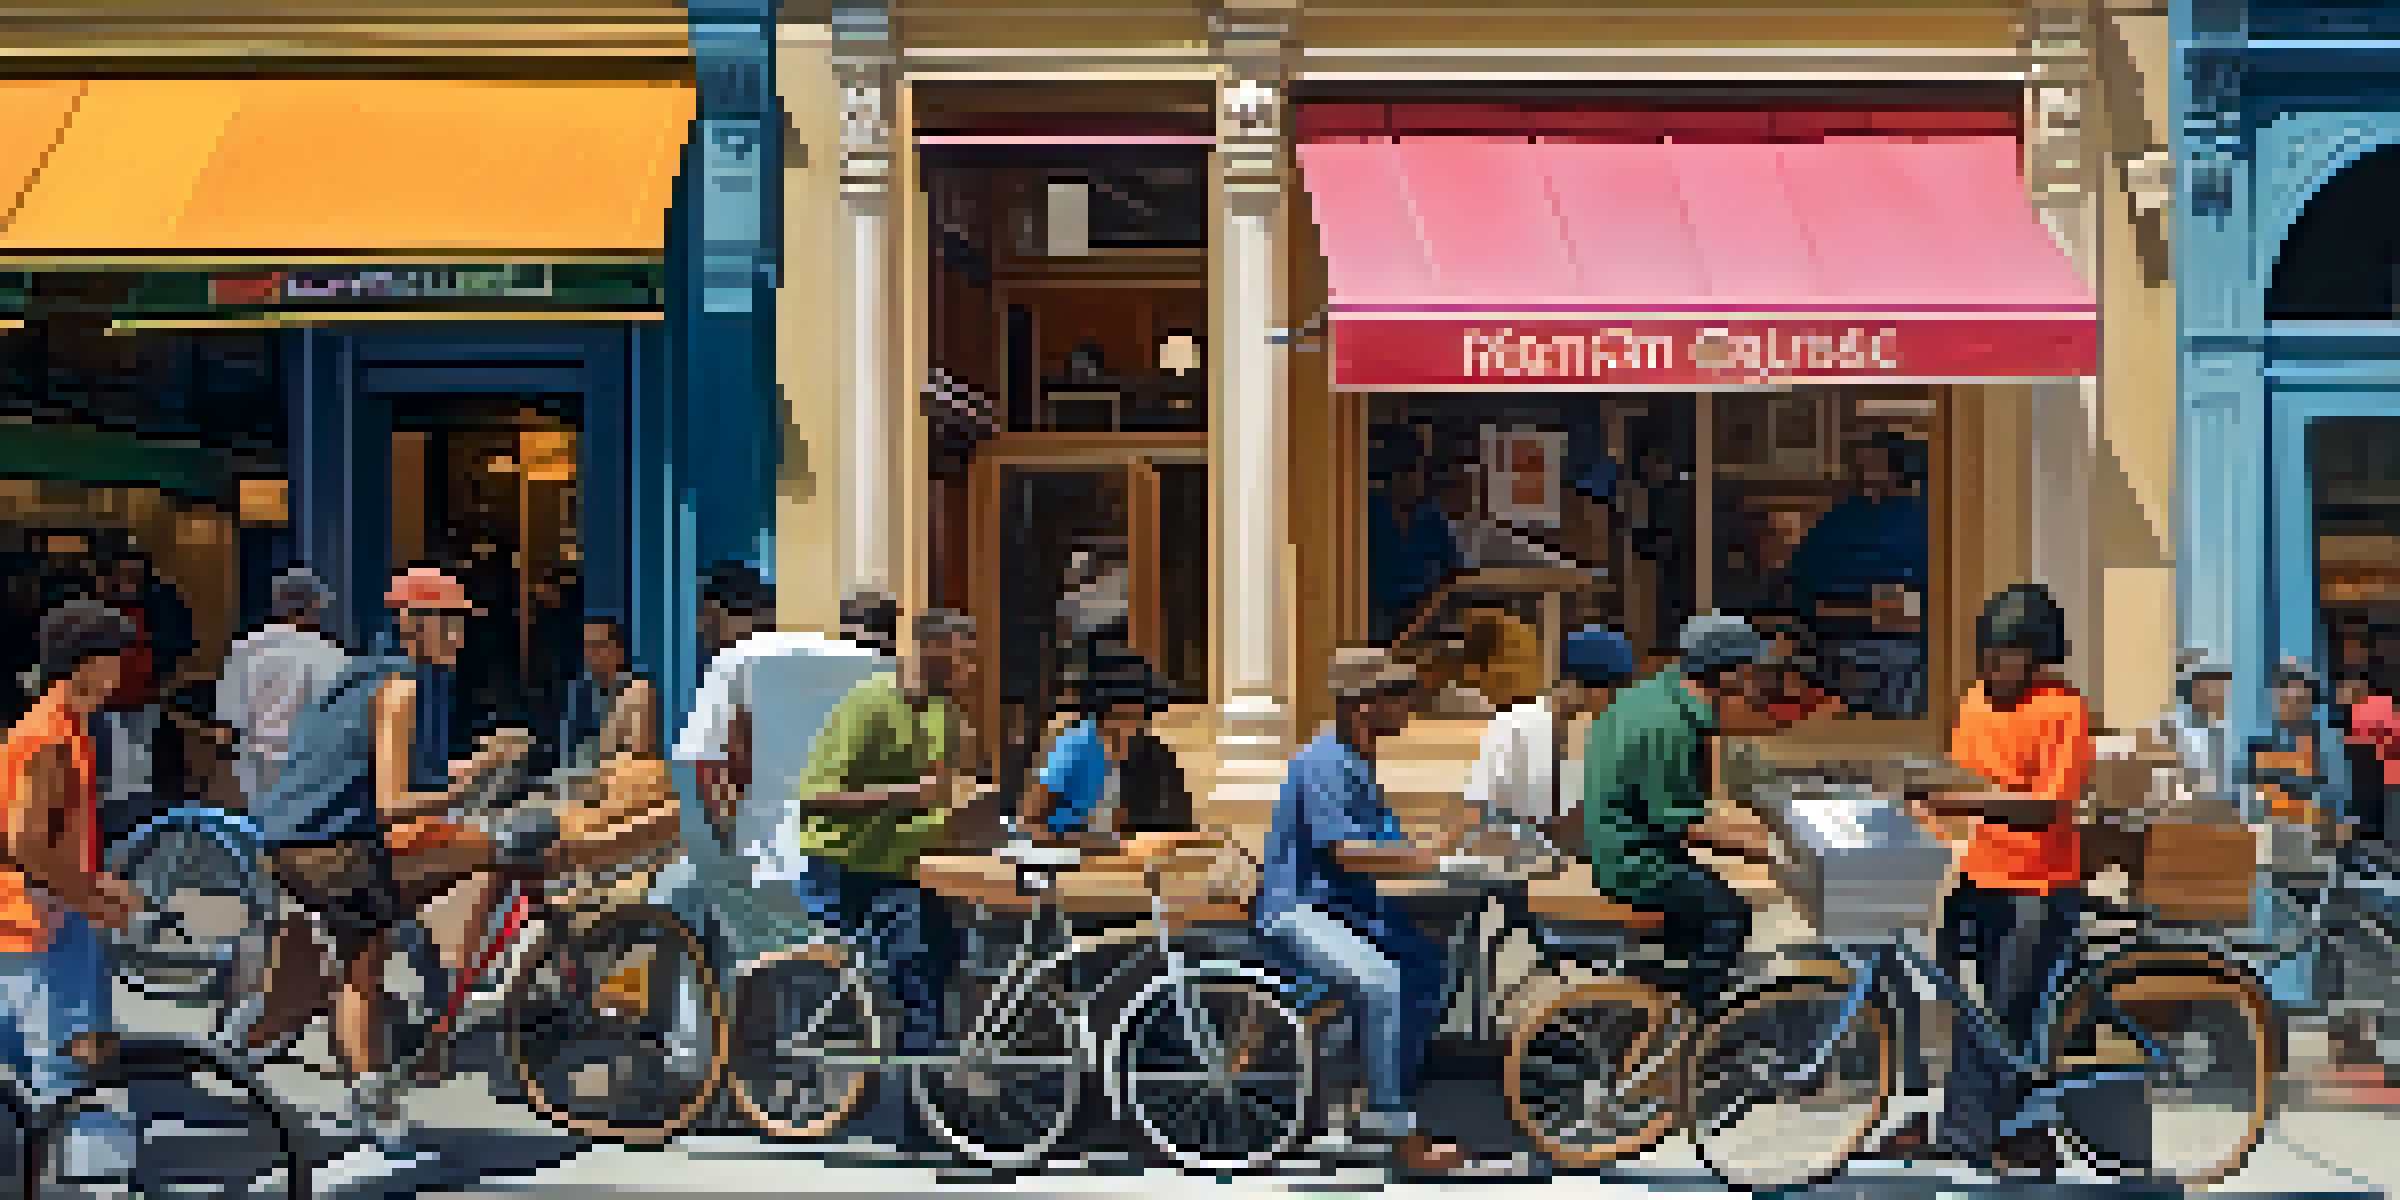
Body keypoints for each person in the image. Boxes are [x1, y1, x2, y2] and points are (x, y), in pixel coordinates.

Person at [232, 567, 547, 1157]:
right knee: (363, 968)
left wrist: (463, 770)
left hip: (291, 841)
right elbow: (393, 802)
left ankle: (240, 1054)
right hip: (329, 847)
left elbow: (385, 775)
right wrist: (470, 785)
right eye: (448, 623)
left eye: (461, 623)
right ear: (413, 625)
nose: (459, 636)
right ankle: (373, 1108)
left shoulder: (362, 677)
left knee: (321, 976)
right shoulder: (400, 687)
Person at [1896, 583, 2094, 1173]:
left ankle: (1969, 1137)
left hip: (2036, 883)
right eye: (1985, 652)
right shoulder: (1975, 703)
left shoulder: (2063, 708)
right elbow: (1960, 778)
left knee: (2002, 1015)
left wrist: (1957, 801)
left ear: (2036, 656)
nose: (1989, 665)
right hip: (1974, 874)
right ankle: (2017, 1134)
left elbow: (2047, 806)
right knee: (1964, 1005)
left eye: (2003, 654)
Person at [1257, 645, 1467, 1174]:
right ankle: (1391, 1124)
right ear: (1362, 705)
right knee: (1379, 982)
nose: (1409, 705)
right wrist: (1432, 853)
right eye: (1398, 695)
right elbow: (1346, 850)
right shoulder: (1324, 763)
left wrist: (1450, 851)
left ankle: (1373, 1091)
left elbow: (1382, 844)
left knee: (1424, 965)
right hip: (1300, 909)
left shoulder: (1359, 761)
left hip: (1346, 909)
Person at [783, 609, 984, 1153]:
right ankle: (923, 1123)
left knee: (948, 964)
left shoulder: (942, 713)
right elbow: (814, 797)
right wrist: (903, 796)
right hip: (848, 868)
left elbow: (935, 794)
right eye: (962, 654)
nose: (969, 668)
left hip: (907, 866)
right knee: (916, 974)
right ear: (931, 649)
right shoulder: (868, 705)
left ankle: (935, 1097)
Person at [1581, 614, 1795, 1033]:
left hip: (1622, 845)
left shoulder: (1652, 695)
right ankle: (1692, 1032)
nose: (1755, 683)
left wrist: (1760, 836)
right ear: (1728, 675)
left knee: (1702, 911)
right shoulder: (1671, 725)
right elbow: (1683, 824)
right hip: (1635, 863)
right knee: (1729, 915)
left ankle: (1664, 1008)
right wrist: (1773, 851)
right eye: (1750, 671)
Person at [0, 599, 146, 1188]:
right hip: (44, 923)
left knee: (25, 1065)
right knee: (69, 1063)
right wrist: (96, 899)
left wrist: (98, 884)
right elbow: (27, 844)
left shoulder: (59, 729)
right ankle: (92, 1181)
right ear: (81, 665)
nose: (120, 674)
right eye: (112, 660)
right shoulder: (52, 736)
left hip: (25, 918)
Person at [1784, 433, 1930, 717]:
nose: (1865, 473)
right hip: (1839, 648)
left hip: (1904, 651)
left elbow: (1931, 593)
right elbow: (1802, 584)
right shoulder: (1836, 521)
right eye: (1862, 464)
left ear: (1899, 470)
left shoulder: (1923, 521)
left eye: (1875, 464)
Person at [1464, 625, 1638, 856]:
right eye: (1616, 691)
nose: (1618, 702)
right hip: (1510, 859)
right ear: (1592, 687)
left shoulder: (1591, 732)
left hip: (1562, 859)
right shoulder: (1516, 724)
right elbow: (1478, 809)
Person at [1022, 655, 1191, 847]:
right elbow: (1031, 820)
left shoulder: (1148, 753)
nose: (1132, 723)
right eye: (1124, 714)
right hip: (1063, 853)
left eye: (1140, 714)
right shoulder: (1076, 745)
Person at [216, 568, 352, 801]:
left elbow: (226, 727)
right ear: (316, 606)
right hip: (311, 766)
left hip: (256, 765)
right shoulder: (336, 657)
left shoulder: (244, 649)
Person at [1367, 439, 1463, 645]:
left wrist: (1437, 601)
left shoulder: (1432, 516)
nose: (1410, 484)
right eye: (1403, 476)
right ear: (1391, 479)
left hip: (1425, 606)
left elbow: (1454, 567)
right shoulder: (1371, 511)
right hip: (1380, 607)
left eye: (1416, 477)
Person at [2139, 648, 2239, 819]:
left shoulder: (2229, 731)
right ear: (2194, 687)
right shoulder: (2168, 728)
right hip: (2182, 819)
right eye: (2214, 683)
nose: (2221, 692)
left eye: (2225, 684)